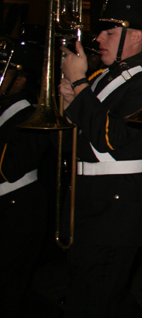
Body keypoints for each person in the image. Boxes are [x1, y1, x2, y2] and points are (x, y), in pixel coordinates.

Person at [58, 0, 142, 317]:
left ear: (134, 36)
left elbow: (111, 138)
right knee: (103, 297)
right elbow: (76, 142)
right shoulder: (103, 77)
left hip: (118, 211)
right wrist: (67, 102)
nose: (98, 38)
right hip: (90, 203)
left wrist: (78, 84)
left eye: (109, 32)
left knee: (94, 301)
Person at [0, 40, 52, 317]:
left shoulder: (32, 114)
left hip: (17, 208)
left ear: (20, 80)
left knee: (9, 287)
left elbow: (12, 167)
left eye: (5, 73)